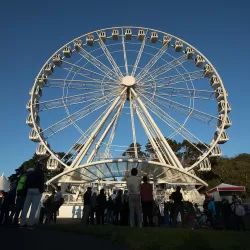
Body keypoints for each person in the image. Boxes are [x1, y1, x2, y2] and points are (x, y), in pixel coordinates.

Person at [19, 163, 45, 229]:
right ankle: (30, 224)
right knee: (33, 208)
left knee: (25, 207)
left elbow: (27, 183)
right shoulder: (41, 173)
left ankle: (21, 223)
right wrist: (41, 190)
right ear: (41, 167)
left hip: (29, 190)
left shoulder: (30, 174)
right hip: (37, 191)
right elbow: (42, 182)